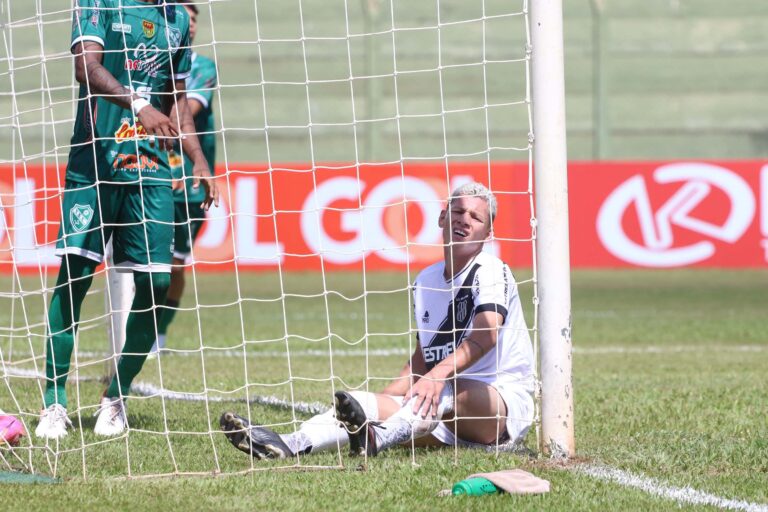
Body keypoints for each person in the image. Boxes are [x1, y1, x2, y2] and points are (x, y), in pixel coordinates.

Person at [220, 182, 535, 459]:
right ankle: (289, 444)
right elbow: (421, 361)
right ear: (442, 218)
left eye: (476, 217)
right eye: (458, 211)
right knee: (360, 401)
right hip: (443, 412)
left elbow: (486, 336)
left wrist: (437, 376)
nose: (464, 220)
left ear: (487, 233)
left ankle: (378, 436)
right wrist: (381, 401)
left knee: (449, 389)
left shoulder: (491, 269)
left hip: (498, 409)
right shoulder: (425, 280)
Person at [35, 0, 218, 440]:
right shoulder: (99, 3)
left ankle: (116, 398)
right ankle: (54, 403)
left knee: (157, 285)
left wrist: (197, 160)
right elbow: (86, 68)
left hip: (151, 171)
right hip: (94, 164)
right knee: (75, 278)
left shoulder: (175, 19)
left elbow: (176, 101)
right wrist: (138, 105)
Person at [150, 0, 218, 355]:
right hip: (146, 174)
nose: (189, 23)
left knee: (174, 264)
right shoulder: (149, 60)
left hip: (188, 186)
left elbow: (183, 113)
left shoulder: (203, 67)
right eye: (184, 16)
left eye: (194, 19)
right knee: (137, 263)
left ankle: (158, 334)